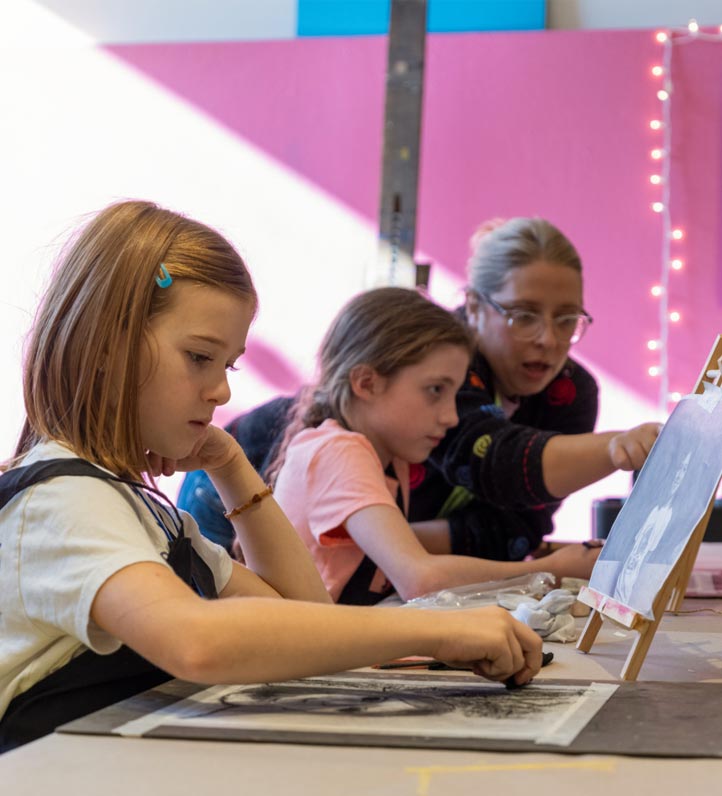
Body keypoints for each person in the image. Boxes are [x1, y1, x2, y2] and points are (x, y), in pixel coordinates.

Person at [0, 201, 542, 753]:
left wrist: (231, 465)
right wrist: (439, 629)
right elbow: (196, 641)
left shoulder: (147, 513)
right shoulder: (63, 500)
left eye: (228, 366)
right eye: (199, 357)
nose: (222, 391)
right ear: (106, 346)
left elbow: (302, 616)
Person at [179, 217, 660, 565]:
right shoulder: (446, 361)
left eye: (566, 319)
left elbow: (512, 530)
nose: (548, 339)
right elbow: (495, 463)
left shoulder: (569, 393)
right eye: (524, 315)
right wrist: (616, 449)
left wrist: (390, 547)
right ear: (473, 306)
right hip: (232, 489)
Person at [268, 286, 605, 605]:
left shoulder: (389, 460)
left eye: (454, 394)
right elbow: (420, 579)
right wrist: (551, 572)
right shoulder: (338, 452)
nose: (451, 417)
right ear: (367, 383)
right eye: (435, 391)